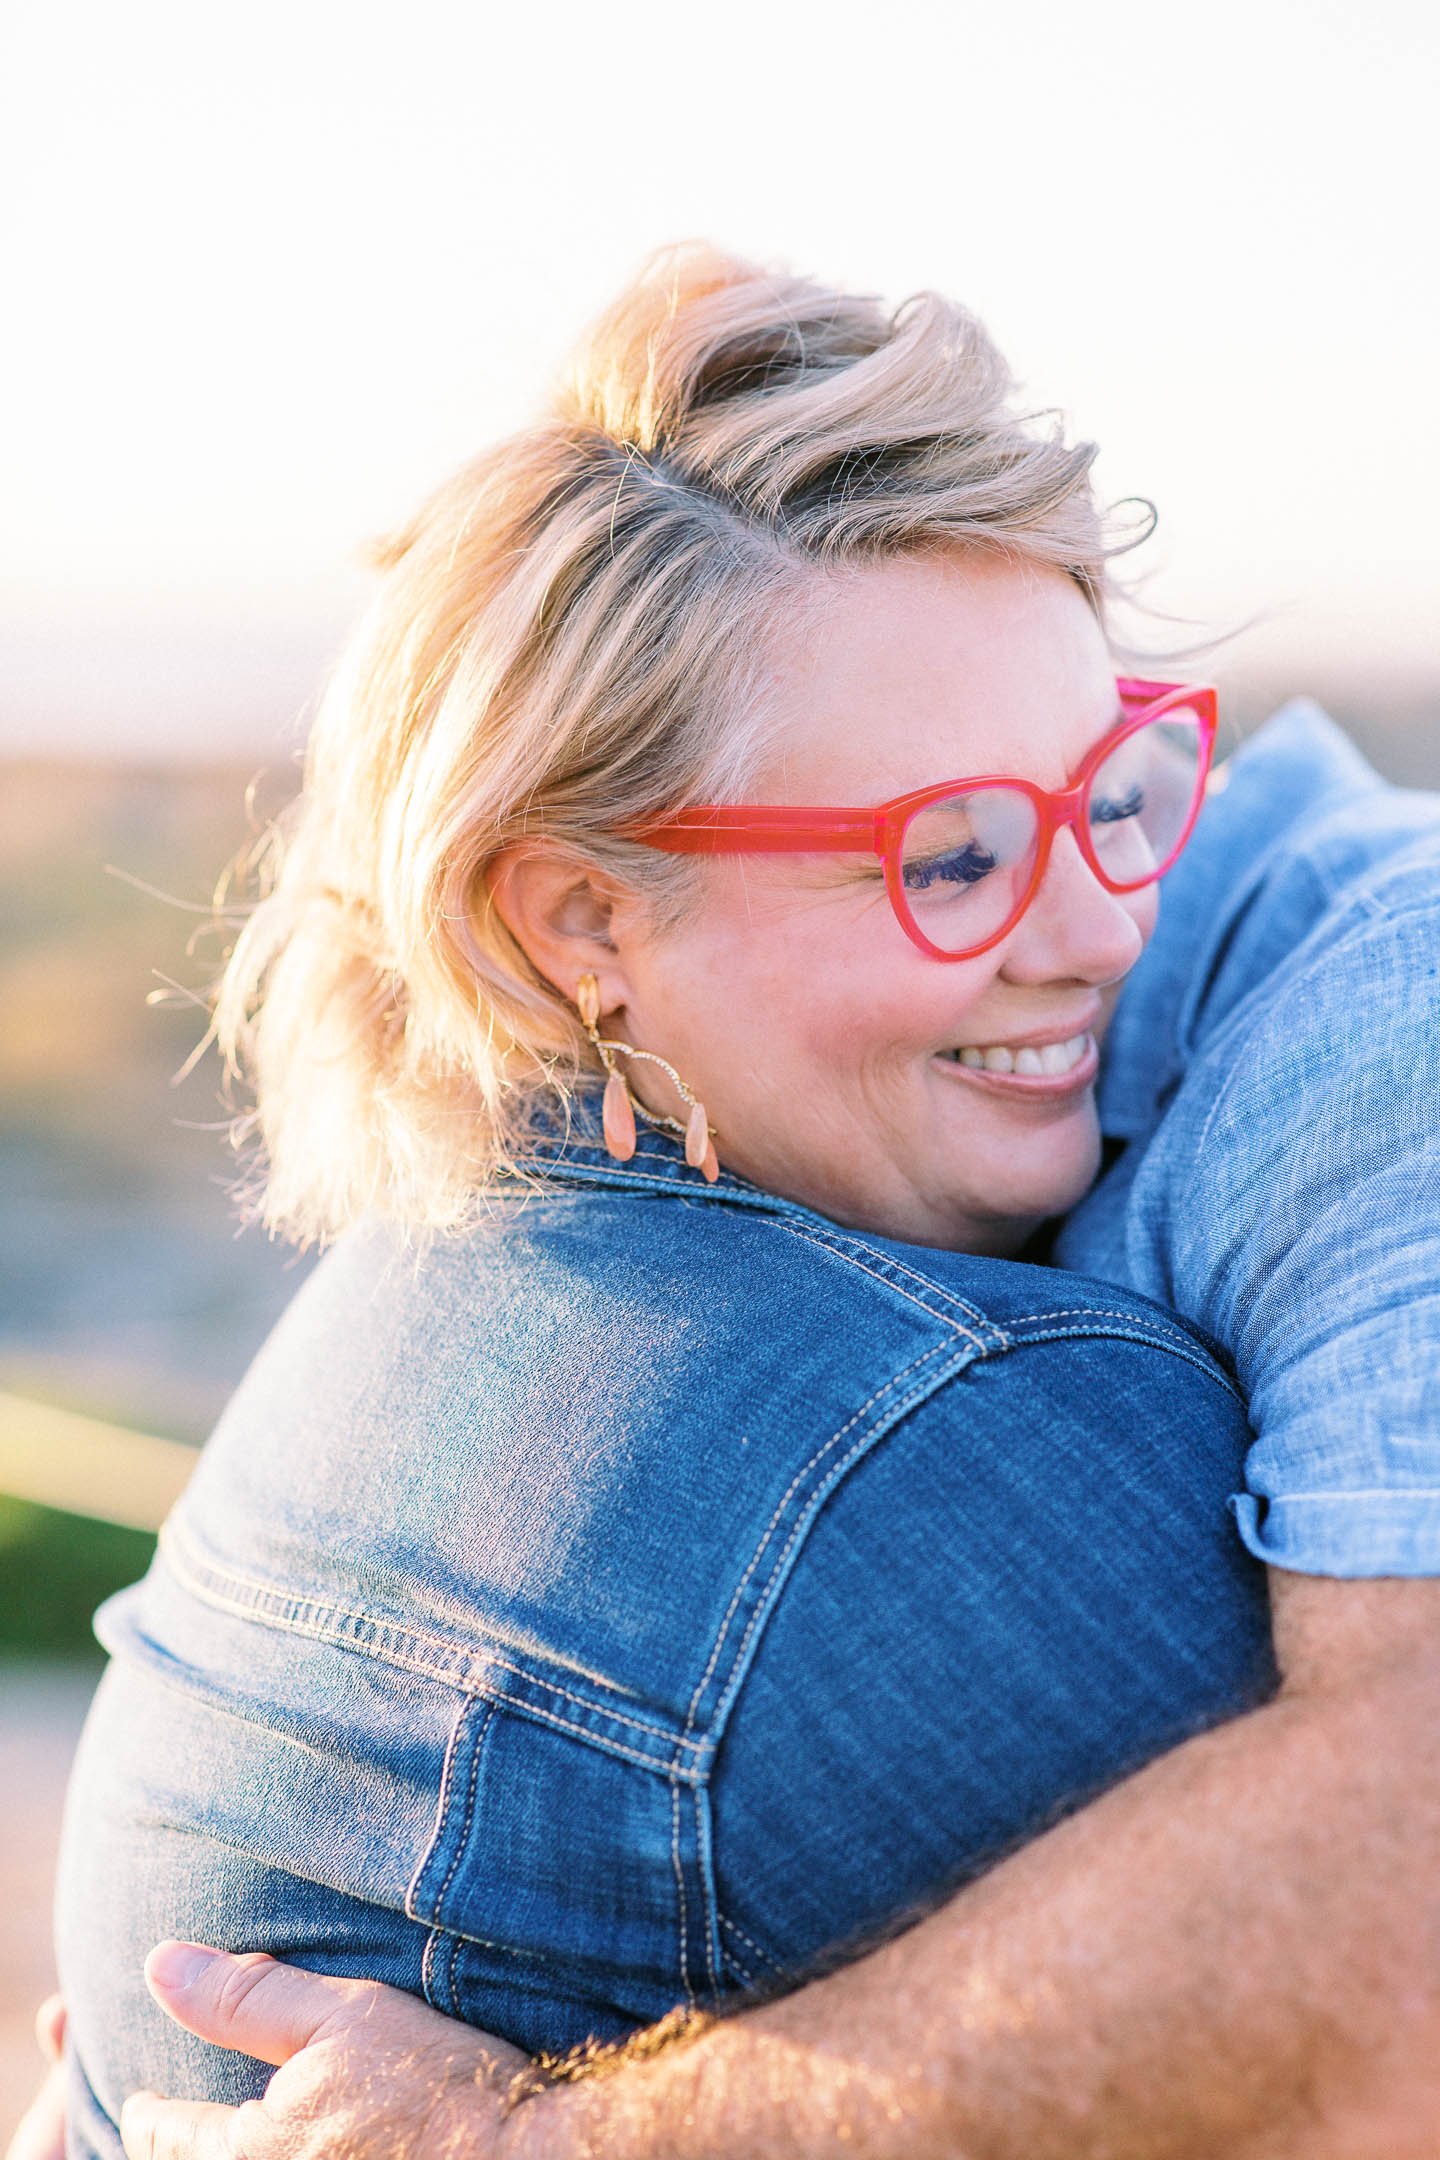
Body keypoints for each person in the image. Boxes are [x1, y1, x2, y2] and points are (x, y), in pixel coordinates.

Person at [34, 245, 1440, 2160]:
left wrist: (540, 2144)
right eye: (949, 853)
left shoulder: (1392, 1035)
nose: (1107, 923)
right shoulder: (597, 1190)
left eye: (1107, 778)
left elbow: (1404, 1933)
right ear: (580, 923)